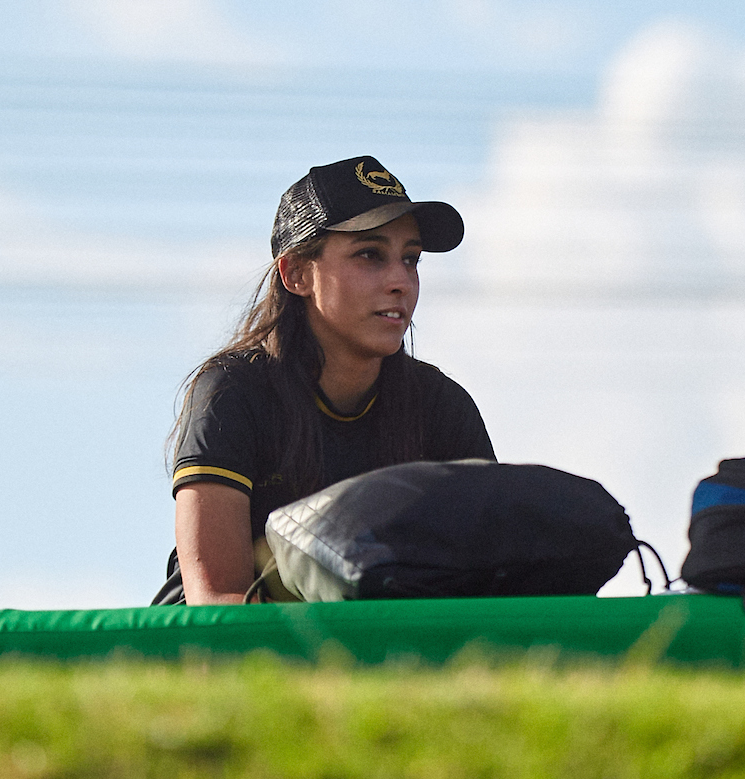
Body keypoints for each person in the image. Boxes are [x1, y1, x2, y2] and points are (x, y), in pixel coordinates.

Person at [152, 156, 495, 605]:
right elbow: (219, 603)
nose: (401, 281)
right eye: (370, 255)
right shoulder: (231, 393)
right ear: (295, 273)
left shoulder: (442, 406)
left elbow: (490, 585)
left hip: (384, 662)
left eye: (410, 259)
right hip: (220, 663)